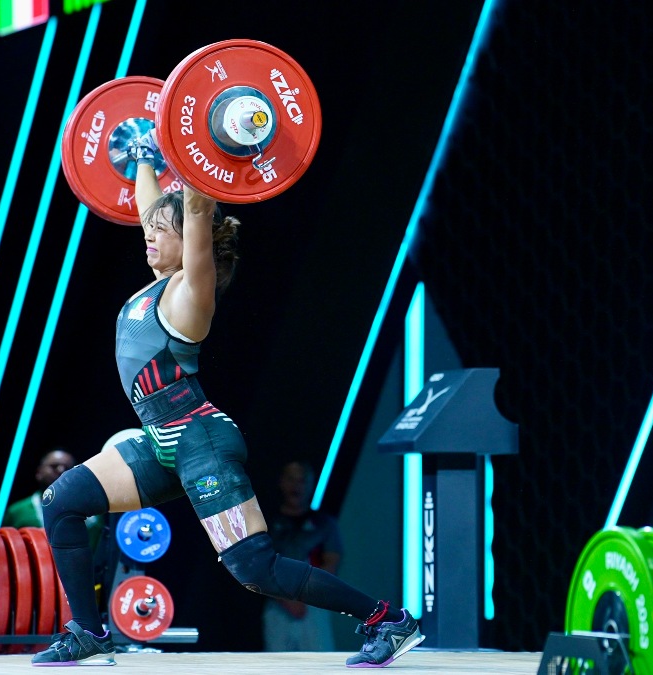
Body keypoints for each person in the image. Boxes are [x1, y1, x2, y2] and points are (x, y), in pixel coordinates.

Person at [33, 135, 424, 667]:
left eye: (160, 232)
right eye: (149, 228)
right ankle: (89, 632)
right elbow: (160, 209)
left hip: (201, 442)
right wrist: (146, 156)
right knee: (61, 503)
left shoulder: (191, 291)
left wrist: (196, 146)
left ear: (190, 240)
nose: (148, 235)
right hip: (161, 442)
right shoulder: (155, 283)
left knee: (254, 569)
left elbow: (194, 206)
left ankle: (388, 620)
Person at [262, 461, 343, 651]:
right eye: (291, 479)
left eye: (302, 481)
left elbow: (332, 562)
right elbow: (260, 565)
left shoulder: (325, 524)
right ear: (282, 482)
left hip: (313, 607)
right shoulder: (265, 523)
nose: (296, 486)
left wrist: (304, 596)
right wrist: (286, 600)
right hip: (278, 606)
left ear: (310, 484)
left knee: (320, 665)